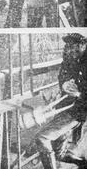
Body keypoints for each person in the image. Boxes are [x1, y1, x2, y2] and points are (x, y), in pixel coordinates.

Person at [35, 33, 87, 169]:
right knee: (59, 153)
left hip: (80, 111)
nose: (69, 50)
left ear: (83, 45)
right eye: (68, 47)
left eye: (73, 47)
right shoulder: (70, 56)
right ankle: (83, 163)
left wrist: (80, 94)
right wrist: (64, 84)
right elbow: (62, 74)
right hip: (66, 107)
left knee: (42, 138)